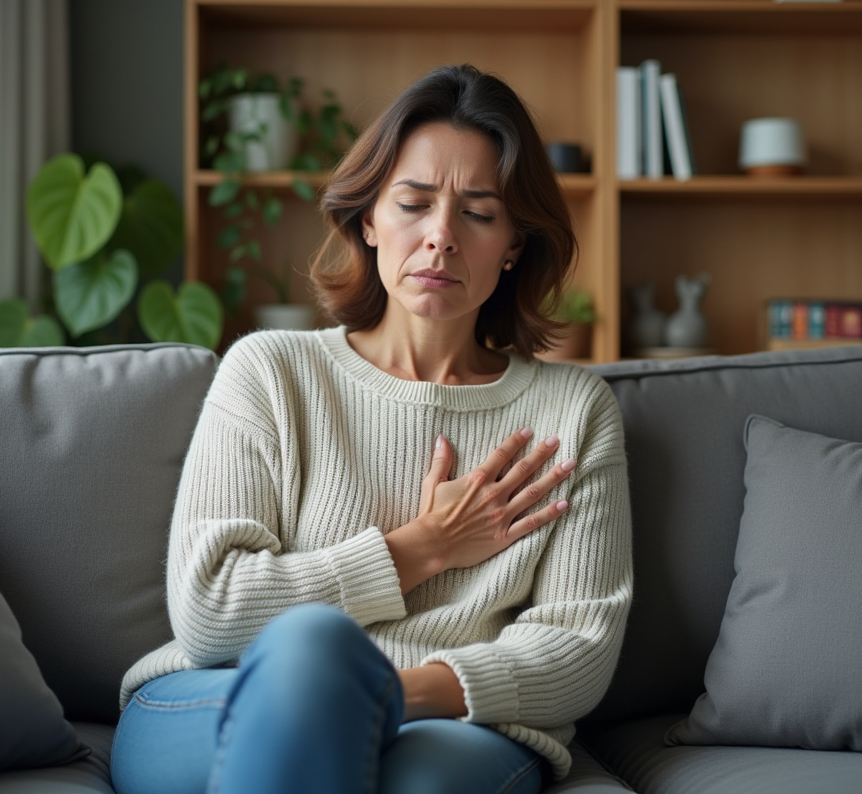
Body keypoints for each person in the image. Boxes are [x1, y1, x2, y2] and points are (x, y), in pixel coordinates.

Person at [110, 64, 632, 794]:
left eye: (479, 214)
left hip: (446, 722)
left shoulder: (573, 411)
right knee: (311, 648)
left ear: (515, 243)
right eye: (414, 203)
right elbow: (210, 608)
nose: (441, 237)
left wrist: (395, 693)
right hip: (223, 695)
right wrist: (426, 548)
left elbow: (578, 647)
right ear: (368, 219)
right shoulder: (270, 371)